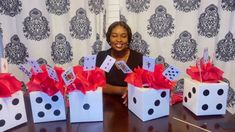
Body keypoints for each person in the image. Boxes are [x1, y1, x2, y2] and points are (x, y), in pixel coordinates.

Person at [96, 21, 143, 106]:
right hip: (106, 107)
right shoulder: (102, 56)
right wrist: (122, 90)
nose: (119, 39)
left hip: (133, 105)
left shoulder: (138, 58)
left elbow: (145, 85)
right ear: (109, 38)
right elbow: (99, 85)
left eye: (123, 36)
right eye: (114, 36)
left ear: (128, 39)